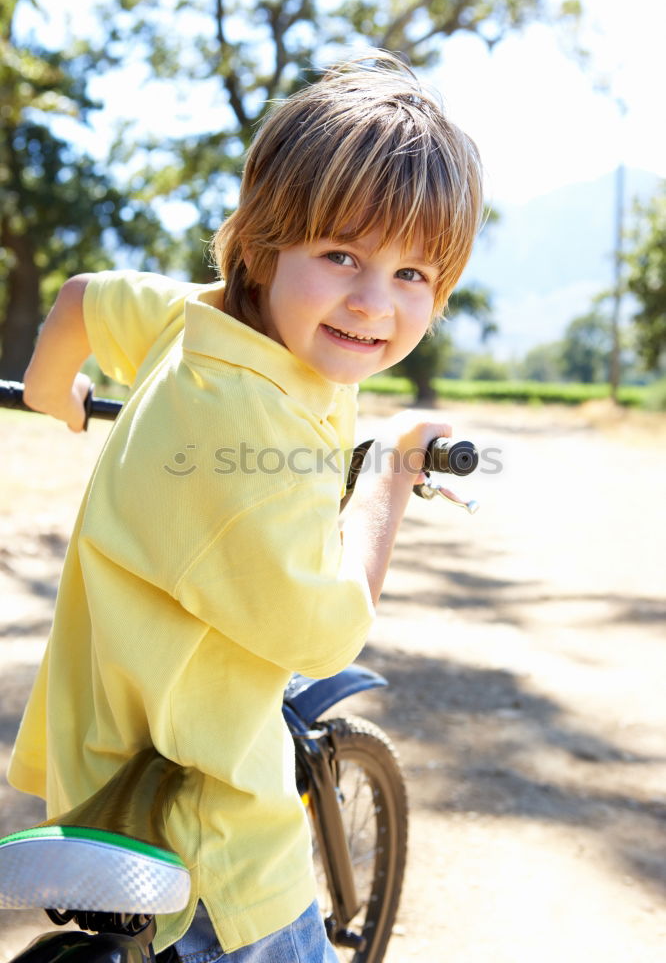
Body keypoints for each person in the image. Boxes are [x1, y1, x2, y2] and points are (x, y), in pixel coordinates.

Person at [8, 52, 483, 962]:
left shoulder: (207, 322)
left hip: (110, 748)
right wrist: (388, 470)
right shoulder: (245, 440)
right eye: (341, 255)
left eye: (413, 275)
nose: (373, 304)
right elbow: (323, 632)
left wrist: (47, 387)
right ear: (266, 246)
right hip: (204, 819)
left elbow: (82, 301)